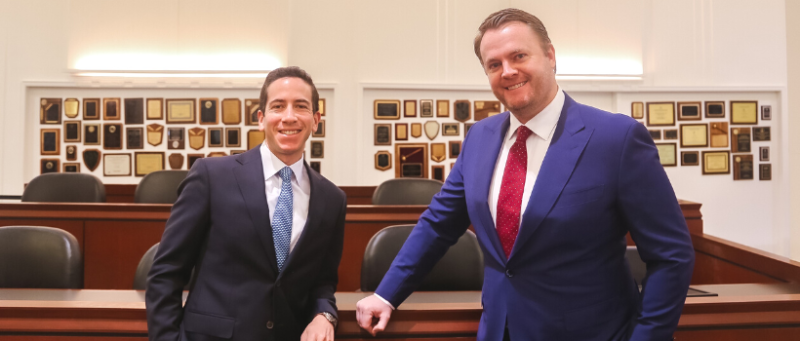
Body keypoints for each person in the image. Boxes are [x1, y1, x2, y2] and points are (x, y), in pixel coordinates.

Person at [356, 8, 695, 341]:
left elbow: (671, 255)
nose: (507, 71)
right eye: (494, 64)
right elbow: (438, 225)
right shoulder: (480, 138)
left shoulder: (616, 138)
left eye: (519, 55)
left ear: (550, 55)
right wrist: (386, 294)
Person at [147, 66, 346, 341]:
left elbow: (323, 282)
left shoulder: (332, 199)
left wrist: (324, 314)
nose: (289, 117)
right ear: (261, 118)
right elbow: (166, 273)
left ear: (315, 120)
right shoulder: (211, 177)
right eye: (278, 106)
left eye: (300, 106)